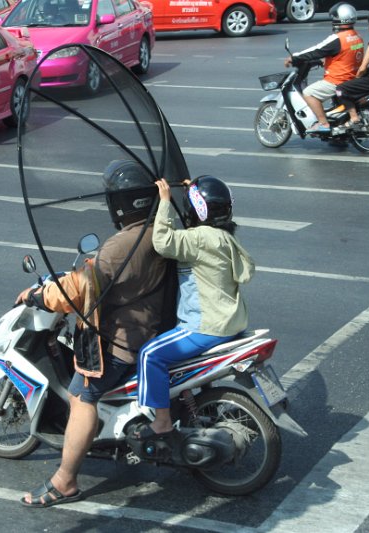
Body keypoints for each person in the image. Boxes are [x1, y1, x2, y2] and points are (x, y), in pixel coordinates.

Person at [16, 160, 172, 507]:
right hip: (154, 325)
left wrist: (38, 295)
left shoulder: (122, 246)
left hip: (124, 340)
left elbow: (77, 288)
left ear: (120, 203)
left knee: (82, 396)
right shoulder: (159, 227)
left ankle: (65, 481)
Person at [133, 176, 255, 437]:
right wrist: (192, 191)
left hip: (205, 326)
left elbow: (163, 242)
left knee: (149, 355)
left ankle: (162, 422)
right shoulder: (223, 237)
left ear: (197, 210)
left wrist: (165, 202)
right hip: (232, 323)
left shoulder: (198, 239)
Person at [284, 2, 364, 134]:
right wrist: (324, 61)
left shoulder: (338, 38)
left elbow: (317, 50)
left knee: (309, 93)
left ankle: (323, 123)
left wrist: (294, 57)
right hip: (353, 78)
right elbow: (344, 55)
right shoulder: (357, 36)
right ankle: (339, 133)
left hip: (337, 80)